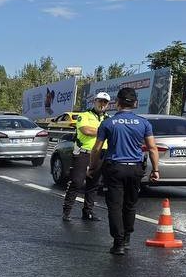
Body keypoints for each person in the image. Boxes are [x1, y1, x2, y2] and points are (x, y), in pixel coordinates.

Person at [88, 87, 160, 255]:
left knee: (114, 206)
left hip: (115, 169)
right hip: (135, 169)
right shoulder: (144, 123)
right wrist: (155, 170)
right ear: (135, 103)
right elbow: (152, 148)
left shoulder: (107, 123)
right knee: (130, 205)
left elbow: (96, 149)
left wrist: (92, 167)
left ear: (117, 103)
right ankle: (127, 237)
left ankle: (118, 242)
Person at [62, 91, 112, 222]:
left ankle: (88, 212)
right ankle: (67, 211)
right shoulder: (84, 115)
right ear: (94, 101)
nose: (102, 104)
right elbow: (86, 130)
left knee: (94, 184)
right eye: (100, 101)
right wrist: (105, 131)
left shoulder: (108, 119)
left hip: (101, 154)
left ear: (108, 105)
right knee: (77, 182)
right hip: (84, 153)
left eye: (105, 102)